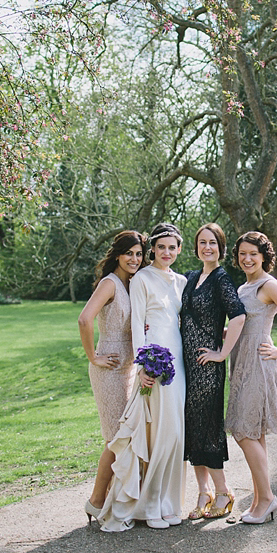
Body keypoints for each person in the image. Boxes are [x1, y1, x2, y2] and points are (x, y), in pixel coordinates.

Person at [99, 222, 187, 531]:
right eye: (161, 247)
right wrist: (144, 365)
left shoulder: (181, 282)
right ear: (153, 249)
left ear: (178, 250)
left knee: (175, 434)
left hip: (179, 364)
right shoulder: (141, 279)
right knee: (157, 434)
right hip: (154, 363)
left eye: (172, 247)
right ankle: (148, 505)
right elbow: (138, 325)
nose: (166, 252)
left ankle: (168, 503)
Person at [225, 230, 277, 524]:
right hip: (241, 363)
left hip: (260, 365)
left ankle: (269, 497)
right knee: (254, 433)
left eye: (253, 254)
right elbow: (240, 328)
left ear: (264, 257)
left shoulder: (268, 285)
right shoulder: (243, 288)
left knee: (243, 432)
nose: (247, 259)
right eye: (243, 254)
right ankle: (260, 500)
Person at [78, 230, 147, 524]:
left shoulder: (133, 284)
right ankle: (96, 501)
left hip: (130, 368)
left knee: (127, 435)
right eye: (129, 253)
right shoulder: (110, 284)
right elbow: (84, 318)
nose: (134, 259)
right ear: (117, 255)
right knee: (116, 438)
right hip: (108, 367)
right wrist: (93, 356)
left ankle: (117, 499)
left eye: (139, 254)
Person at [181, 223, 246, 520]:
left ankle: (223, 492)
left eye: (213, 243)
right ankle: (203, 492)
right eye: (202, 242)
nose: (207, 247)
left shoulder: (221, 279)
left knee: (207, 429)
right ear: (196, 247)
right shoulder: (192, 277)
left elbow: (238, 316)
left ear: (220, 247)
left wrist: (222, 353)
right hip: (186, 367)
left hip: (208, 369)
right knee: (191, 429)